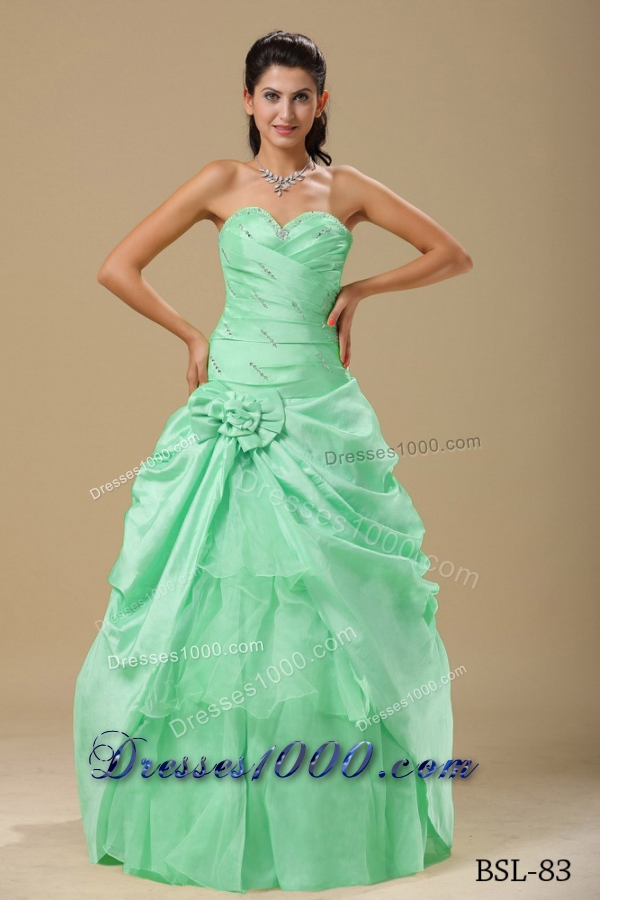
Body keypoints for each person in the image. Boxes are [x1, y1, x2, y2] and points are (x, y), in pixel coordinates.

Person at [74, 29, 473, 894]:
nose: (284, 111)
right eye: (270, 96)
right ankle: (212, 805)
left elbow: (451, 254)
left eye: (300, 96)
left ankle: (324, 816)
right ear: (247, 101)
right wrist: (190, 334)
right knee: (213, 585)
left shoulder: (347, 188)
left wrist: (361, 289)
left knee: (330, 590)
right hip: (235, 393)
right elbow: (118, 266)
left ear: (321, 103)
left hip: (319, 403)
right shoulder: (219, 181)